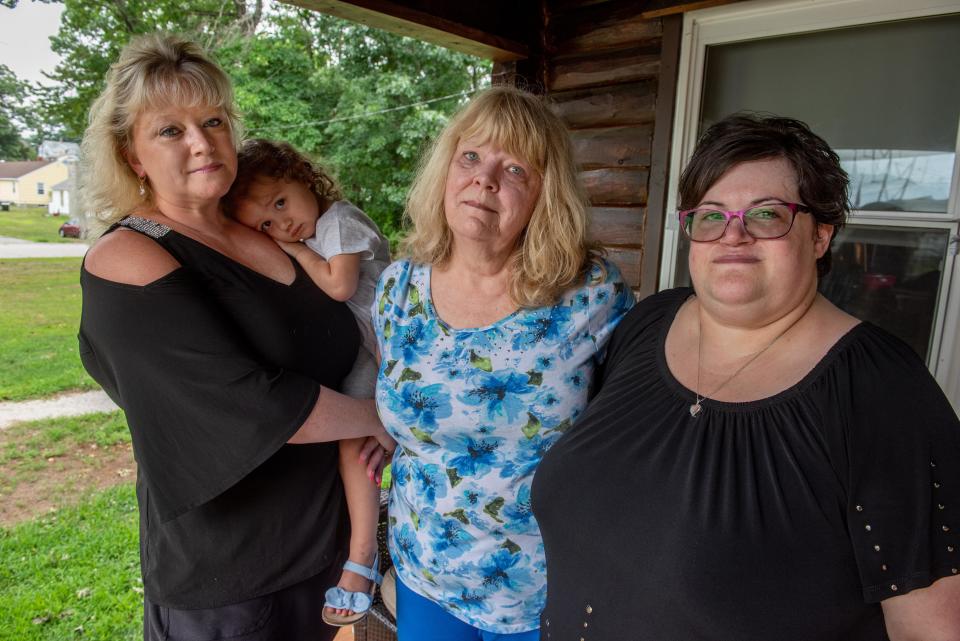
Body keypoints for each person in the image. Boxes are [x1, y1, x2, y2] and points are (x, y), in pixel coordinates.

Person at [532, 114, 960, 640]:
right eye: (710, 216)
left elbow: (932, 629)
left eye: (766, 214)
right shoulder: (649, 323)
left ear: (821, 233)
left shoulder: (880, 390)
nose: (733, 234)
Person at [78, 34, 390, 641]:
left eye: (214, 120)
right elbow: (247, 405)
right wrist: (380, 416)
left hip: (318, 543)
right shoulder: (127, 258)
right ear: (132, 154)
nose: (201, 142)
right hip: (231, 575)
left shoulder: (269, 232)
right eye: (170, 131)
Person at [373, 86, 634, 641]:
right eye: (470, 157)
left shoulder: (589, 294)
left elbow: (630, 428)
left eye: (514, 168)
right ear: (446, 170)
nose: (484, 179)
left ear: (545, 195)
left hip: (546, 588)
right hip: (426, 572)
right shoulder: (399, 286)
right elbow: (397, 399)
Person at [225, 138, 390, 626]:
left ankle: (379, 545)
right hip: (368, 348)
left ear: (302, 175)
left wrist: (292, 247)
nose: (284, 224)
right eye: (267, 225)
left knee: (382, 433)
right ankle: (364, 556)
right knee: (352, 442)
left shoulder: (340, 220)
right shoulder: (313, 232)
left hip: (395, 342)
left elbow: (339, 285)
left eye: (281, 202)